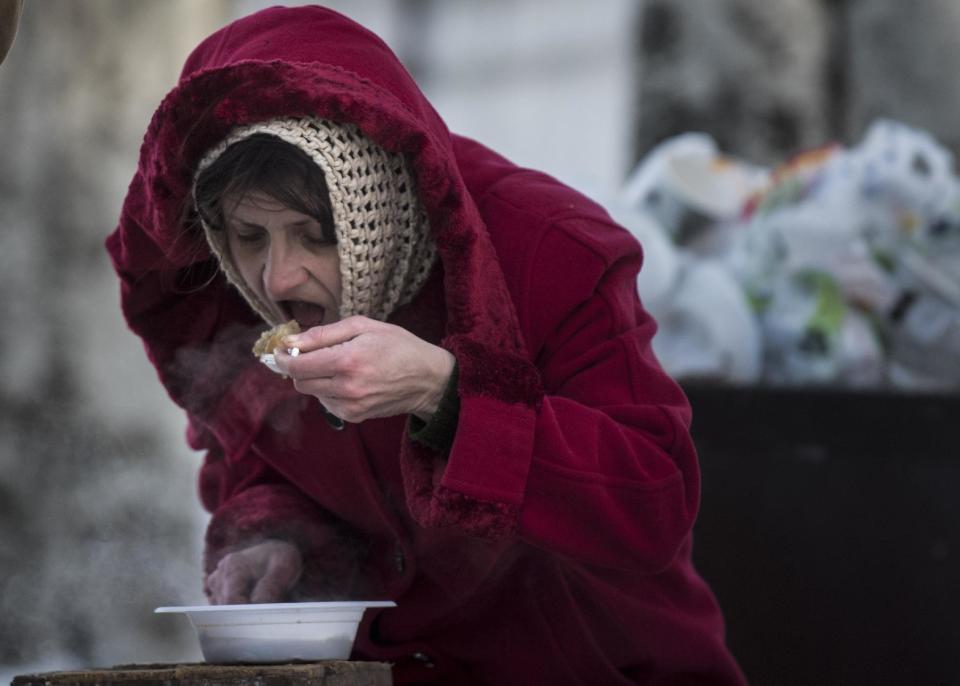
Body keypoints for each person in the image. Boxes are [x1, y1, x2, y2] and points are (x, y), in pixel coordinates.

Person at [107, 5, 747, 685]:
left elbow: (652, 503)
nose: (278, 276)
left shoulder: (551, 249)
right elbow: (259, 461)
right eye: (249, 236)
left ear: (373, 197)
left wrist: (443, 396)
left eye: (312, 233)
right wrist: (277, 538)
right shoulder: (230, 301)